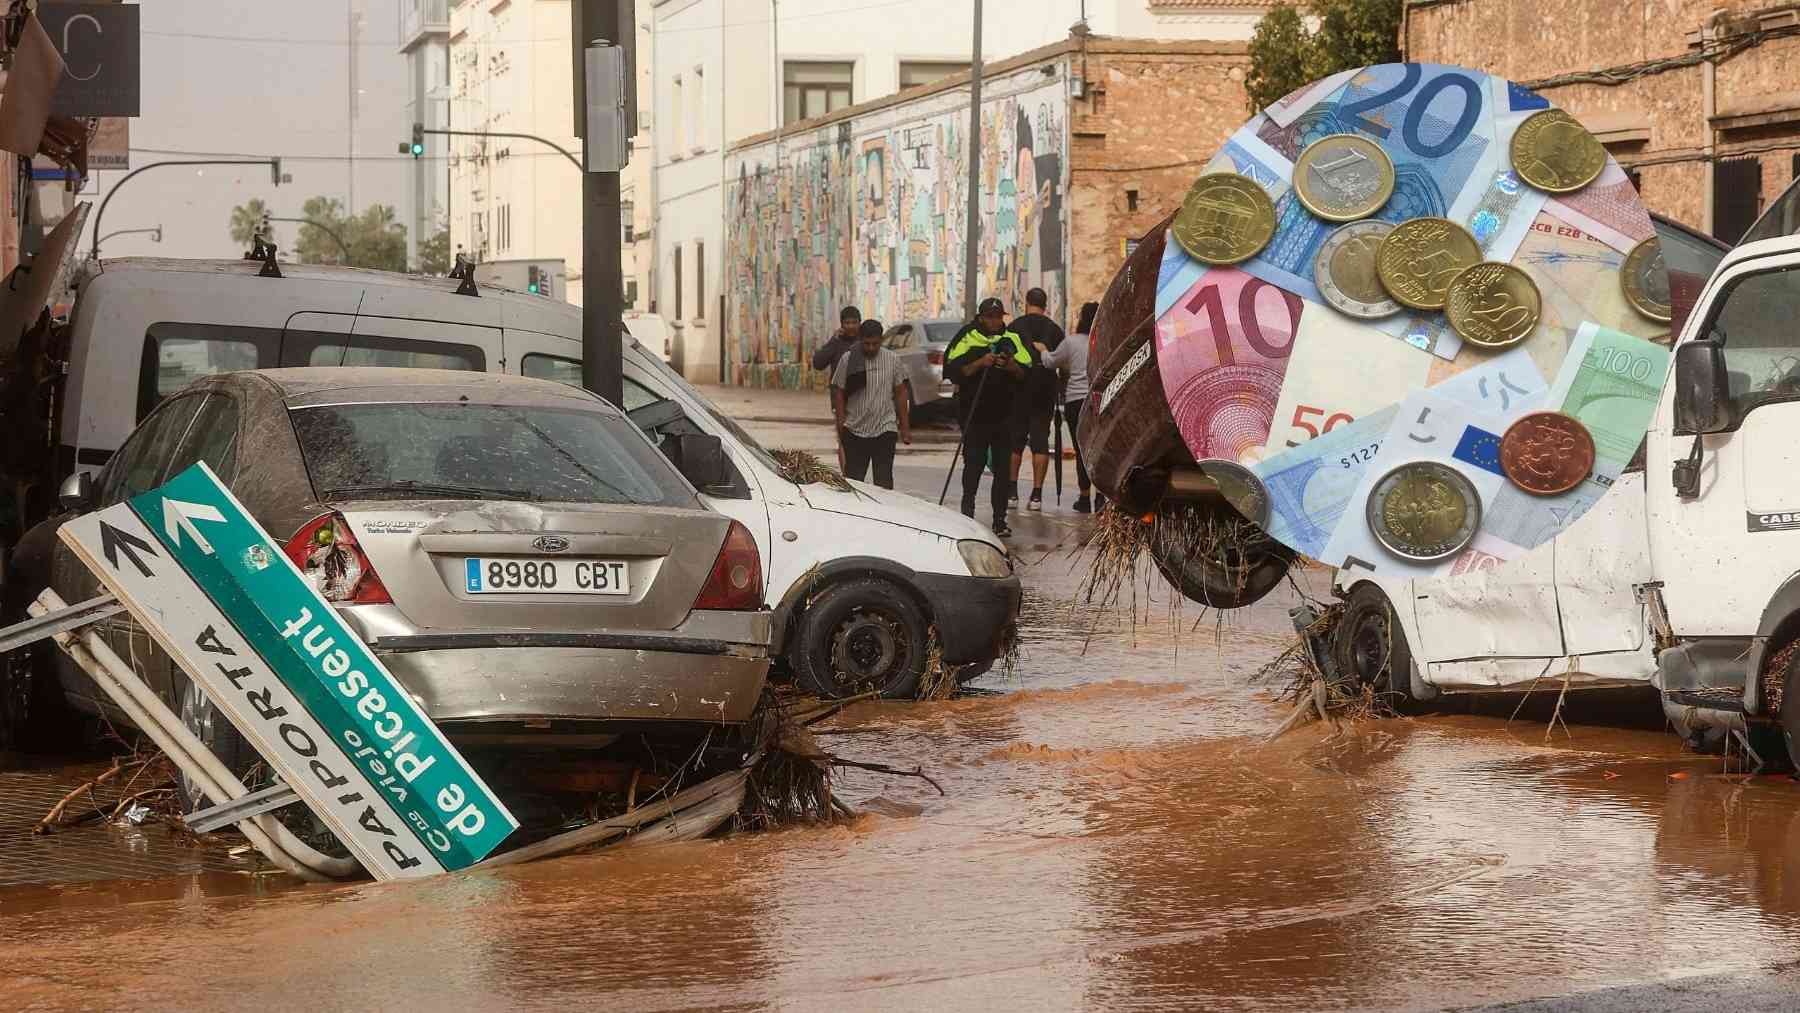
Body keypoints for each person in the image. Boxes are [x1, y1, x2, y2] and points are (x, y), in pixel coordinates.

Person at [946, 297, 1031, 537]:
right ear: (981, 317)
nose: (995, 321)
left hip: (1004, 415)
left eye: (998, 317)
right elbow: (953, 371)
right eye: (990, 317)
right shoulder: (968, 336)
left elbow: (1027, 372)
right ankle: (967, 512)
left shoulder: (1013, 338)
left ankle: (999, 520)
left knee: (1003, 469)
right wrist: (981, 362)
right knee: (973, 464)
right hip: (974, 413)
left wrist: (1011, 366)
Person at [831, 318, 911, 489]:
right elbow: (838, 390)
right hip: (855, 430)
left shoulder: (892, 360)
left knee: (883, 483)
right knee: (854, 483)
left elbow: (901, 392)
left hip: (884, 428)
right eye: (866, 344)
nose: (871, 348)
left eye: (875, 344)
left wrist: (905, 427)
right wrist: (841, 420)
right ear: (860, 340)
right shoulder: (849, 359)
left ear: (881, 340)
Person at [1008, 287, 1065, 512]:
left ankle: (1012, 492)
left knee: (1015, 442)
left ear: (1026, 303)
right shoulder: (1055, 330)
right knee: (1040, 442)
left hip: (1018, 391)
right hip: (1045, 392)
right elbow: (1063, 364)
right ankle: (1037, 495)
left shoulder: (1014, 327)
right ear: (1046, 305)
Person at [1047, 300, 1098, 512]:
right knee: (1098, 449)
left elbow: (1051, 362)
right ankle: (1102, 497)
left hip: (1076, 401)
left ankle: (1085, 498)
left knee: (1081, 450)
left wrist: (1041, 350)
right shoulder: (1104, 340)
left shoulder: (1072, 342)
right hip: (1099, 400)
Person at [813, 305, 862, 469]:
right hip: (840, 401)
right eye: (847, 323)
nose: (851, 326)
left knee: (863, 440)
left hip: (863, 399)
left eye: (854, 322)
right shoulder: (836, 343)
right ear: (842, 324)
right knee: (843, 439)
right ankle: (848, 475)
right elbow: (818, 363)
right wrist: (833, 341)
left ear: (859, 323)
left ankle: (858, 474)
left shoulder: (865, 342)